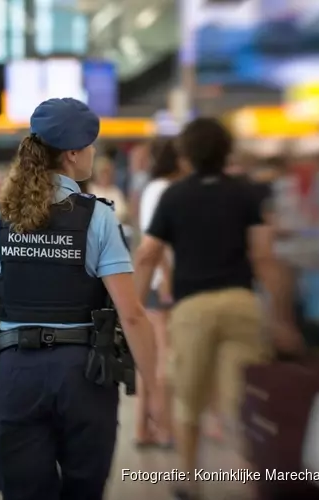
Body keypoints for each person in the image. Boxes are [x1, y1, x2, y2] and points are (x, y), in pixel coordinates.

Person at [0, 98, 159, 500]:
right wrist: (153, 389)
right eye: (90, 146)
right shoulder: (98, 218)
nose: (92, 154)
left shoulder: (1, 219)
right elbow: (132, 315)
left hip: (16, 374)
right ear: (72, 154)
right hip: (84, 375)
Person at [134, 118, 303, 500]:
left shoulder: (173, 196)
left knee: (189, 397)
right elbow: (263, 257)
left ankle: (189, 480)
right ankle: (252, 479)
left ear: (187, 154)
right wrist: (281, 317)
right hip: (241, 303)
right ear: (226, 151)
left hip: (193, 308)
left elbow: (147, 255)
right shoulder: (247, 193)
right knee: (240, 400)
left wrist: (137, 307)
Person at [134, 138, 187, 449]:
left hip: (158, 280)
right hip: (161, 283)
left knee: (153, 358)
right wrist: (167, 278)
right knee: (164, 358)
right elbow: (159, 242)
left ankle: (144, 427)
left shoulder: (155, 188)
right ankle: (164, 427)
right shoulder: (163, 190)